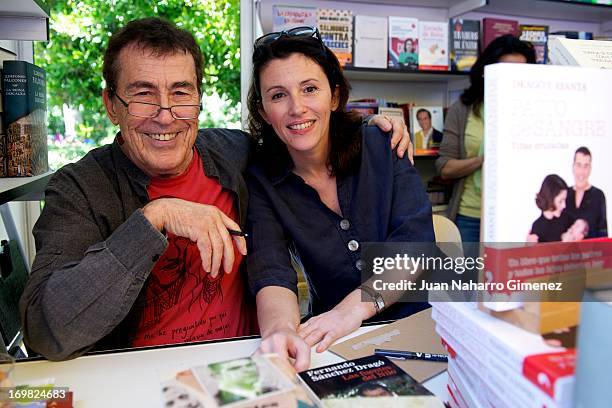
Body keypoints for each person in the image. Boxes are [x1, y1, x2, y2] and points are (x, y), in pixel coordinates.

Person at [19, 19, 411, 361]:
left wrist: (364, 128)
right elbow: (46, 331)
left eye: (180, 92)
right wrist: (156, 216)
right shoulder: (80, 188)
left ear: (199, 100)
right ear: (111, 105)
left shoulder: (236, 155)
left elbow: (300, 132)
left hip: (245, 357)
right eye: (142, 94)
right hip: (140, 374)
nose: (165, 114)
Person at [245, 27, 434, 371]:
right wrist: (281, 331)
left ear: (334, 96)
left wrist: (351, 310)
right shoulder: (262, 179)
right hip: (336, 345)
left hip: (418, 329)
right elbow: (270, 268)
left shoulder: (383, 144)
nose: (296, 108)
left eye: (310, 89)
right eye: (278, 96)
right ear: (262, 111)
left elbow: (415, 247)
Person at [436, 35, 536, 244]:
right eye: (507, 71)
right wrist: (485, 158)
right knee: (469, 276)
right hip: (471, 216)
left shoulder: (534, 110)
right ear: (486, 71)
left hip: (518, 217)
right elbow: (444, 168)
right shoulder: (462, 109)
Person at [566, 147, 607, 238]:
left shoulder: (598, 195)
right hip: (565, 251)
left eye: (586, 166)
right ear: (573, 167)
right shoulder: (565, 194)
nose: (582, 171)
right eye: (578, 165)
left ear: (590, 169)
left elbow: (602, 231)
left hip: (591, 251)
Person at [528, 174, 575, 243]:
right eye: (560, 201)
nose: (564, 205)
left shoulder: (568, 221)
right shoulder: (537, 227)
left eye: (565, 200)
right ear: (550, 199)